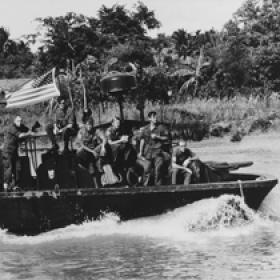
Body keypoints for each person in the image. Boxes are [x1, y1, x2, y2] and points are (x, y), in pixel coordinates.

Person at [138, 111, 171, 186]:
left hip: (158, 152)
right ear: (149, 118)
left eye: (156, 117)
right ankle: (145, 187)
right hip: (148, 153)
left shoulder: (161, 128)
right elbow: (142, 140)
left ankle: (158, 187)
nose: (156, 118)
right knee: (146, 170)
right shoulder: (145, 129)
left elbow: (167, 138)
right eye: (154, 117)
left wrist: (158, 137)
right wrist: (140, 152)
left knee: (158, 169)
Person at [2, 116, 32, 190]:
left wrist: (32, 129)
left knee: (18, 167)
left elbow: (27, 129)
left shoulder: (20, 126)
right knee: (9, 168)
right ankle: (5, 186)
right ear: (15, 121)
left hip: (14, 151)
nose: (20, 122)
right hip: (7, 151)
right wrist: (29, 133)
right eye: (18, 121)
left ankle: (16, 185)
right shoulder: (12, 127)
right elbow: (21, 135)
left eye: (21, 121)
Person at [106, 116, 136, 181]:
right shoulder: (109, 130)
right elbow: (110, 142)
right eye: (116, 123)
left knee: (128, 146)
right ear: (112, 123)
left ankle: (127, 162)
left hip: (118, 146)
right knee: (120, 146)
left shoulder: (119, 129)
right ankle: (116, 164)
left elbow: (119, 137)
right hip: (110, 147)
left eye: (119, 123)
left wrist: (125, 138)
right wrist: (120, 141)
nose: (118, 124)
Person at [75, 118, 101, 187]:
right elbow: (82, 145)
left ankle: (97, 186)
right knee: (86, 157)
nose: (90, 127)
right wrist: (92, 151)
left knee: (92, 165)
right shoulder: (82, 131)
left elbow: (99, 140)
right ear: (86, 125)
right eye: (88, 125)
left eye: (91, 125)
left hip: (90, 151)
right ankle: (83, 165)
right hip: (81, 151)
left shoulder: (94, 131)